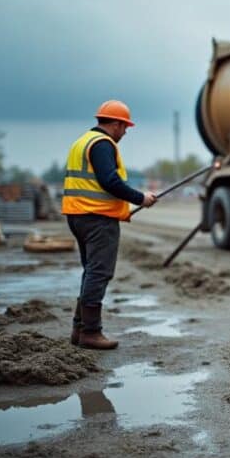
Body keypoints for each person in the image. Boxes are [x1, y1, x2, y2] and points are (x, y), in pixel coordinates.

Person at [61, 100, 157, 349]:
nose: (125, 132)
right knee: (99, 272)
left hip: (79, 216)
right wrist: (141, 198)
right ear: (115, 124)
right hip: (97, 218)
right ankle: (91, 332)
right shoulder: (103, 144)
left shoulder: (82, 141)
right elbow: (109, 181)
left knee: (90, 271)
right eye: (124, 127)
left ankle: (79, 329)